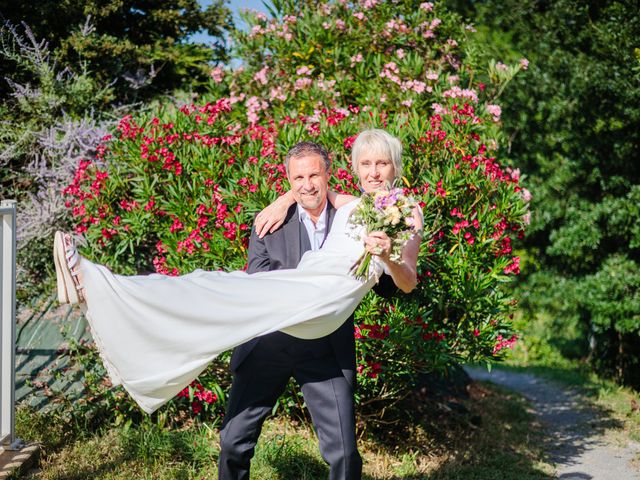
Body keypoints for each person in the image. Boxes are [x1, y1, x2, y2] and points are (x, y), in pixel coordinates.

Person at [53, 129, 422, 479]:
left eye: (382, 164)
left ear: (394, 166)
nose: (374, 172)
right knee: (215, 291)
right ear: (354, 169)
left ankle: (97, 282)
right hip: (277, 322)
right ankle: (97, 283)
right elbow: (311, 196)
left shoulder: (404, 211)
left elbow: (407, 281)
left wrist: (388, 258)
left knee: (343, 453)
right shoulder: (337, 207)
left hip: (322, 325)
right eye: (366, 164)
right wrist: (286, 199)